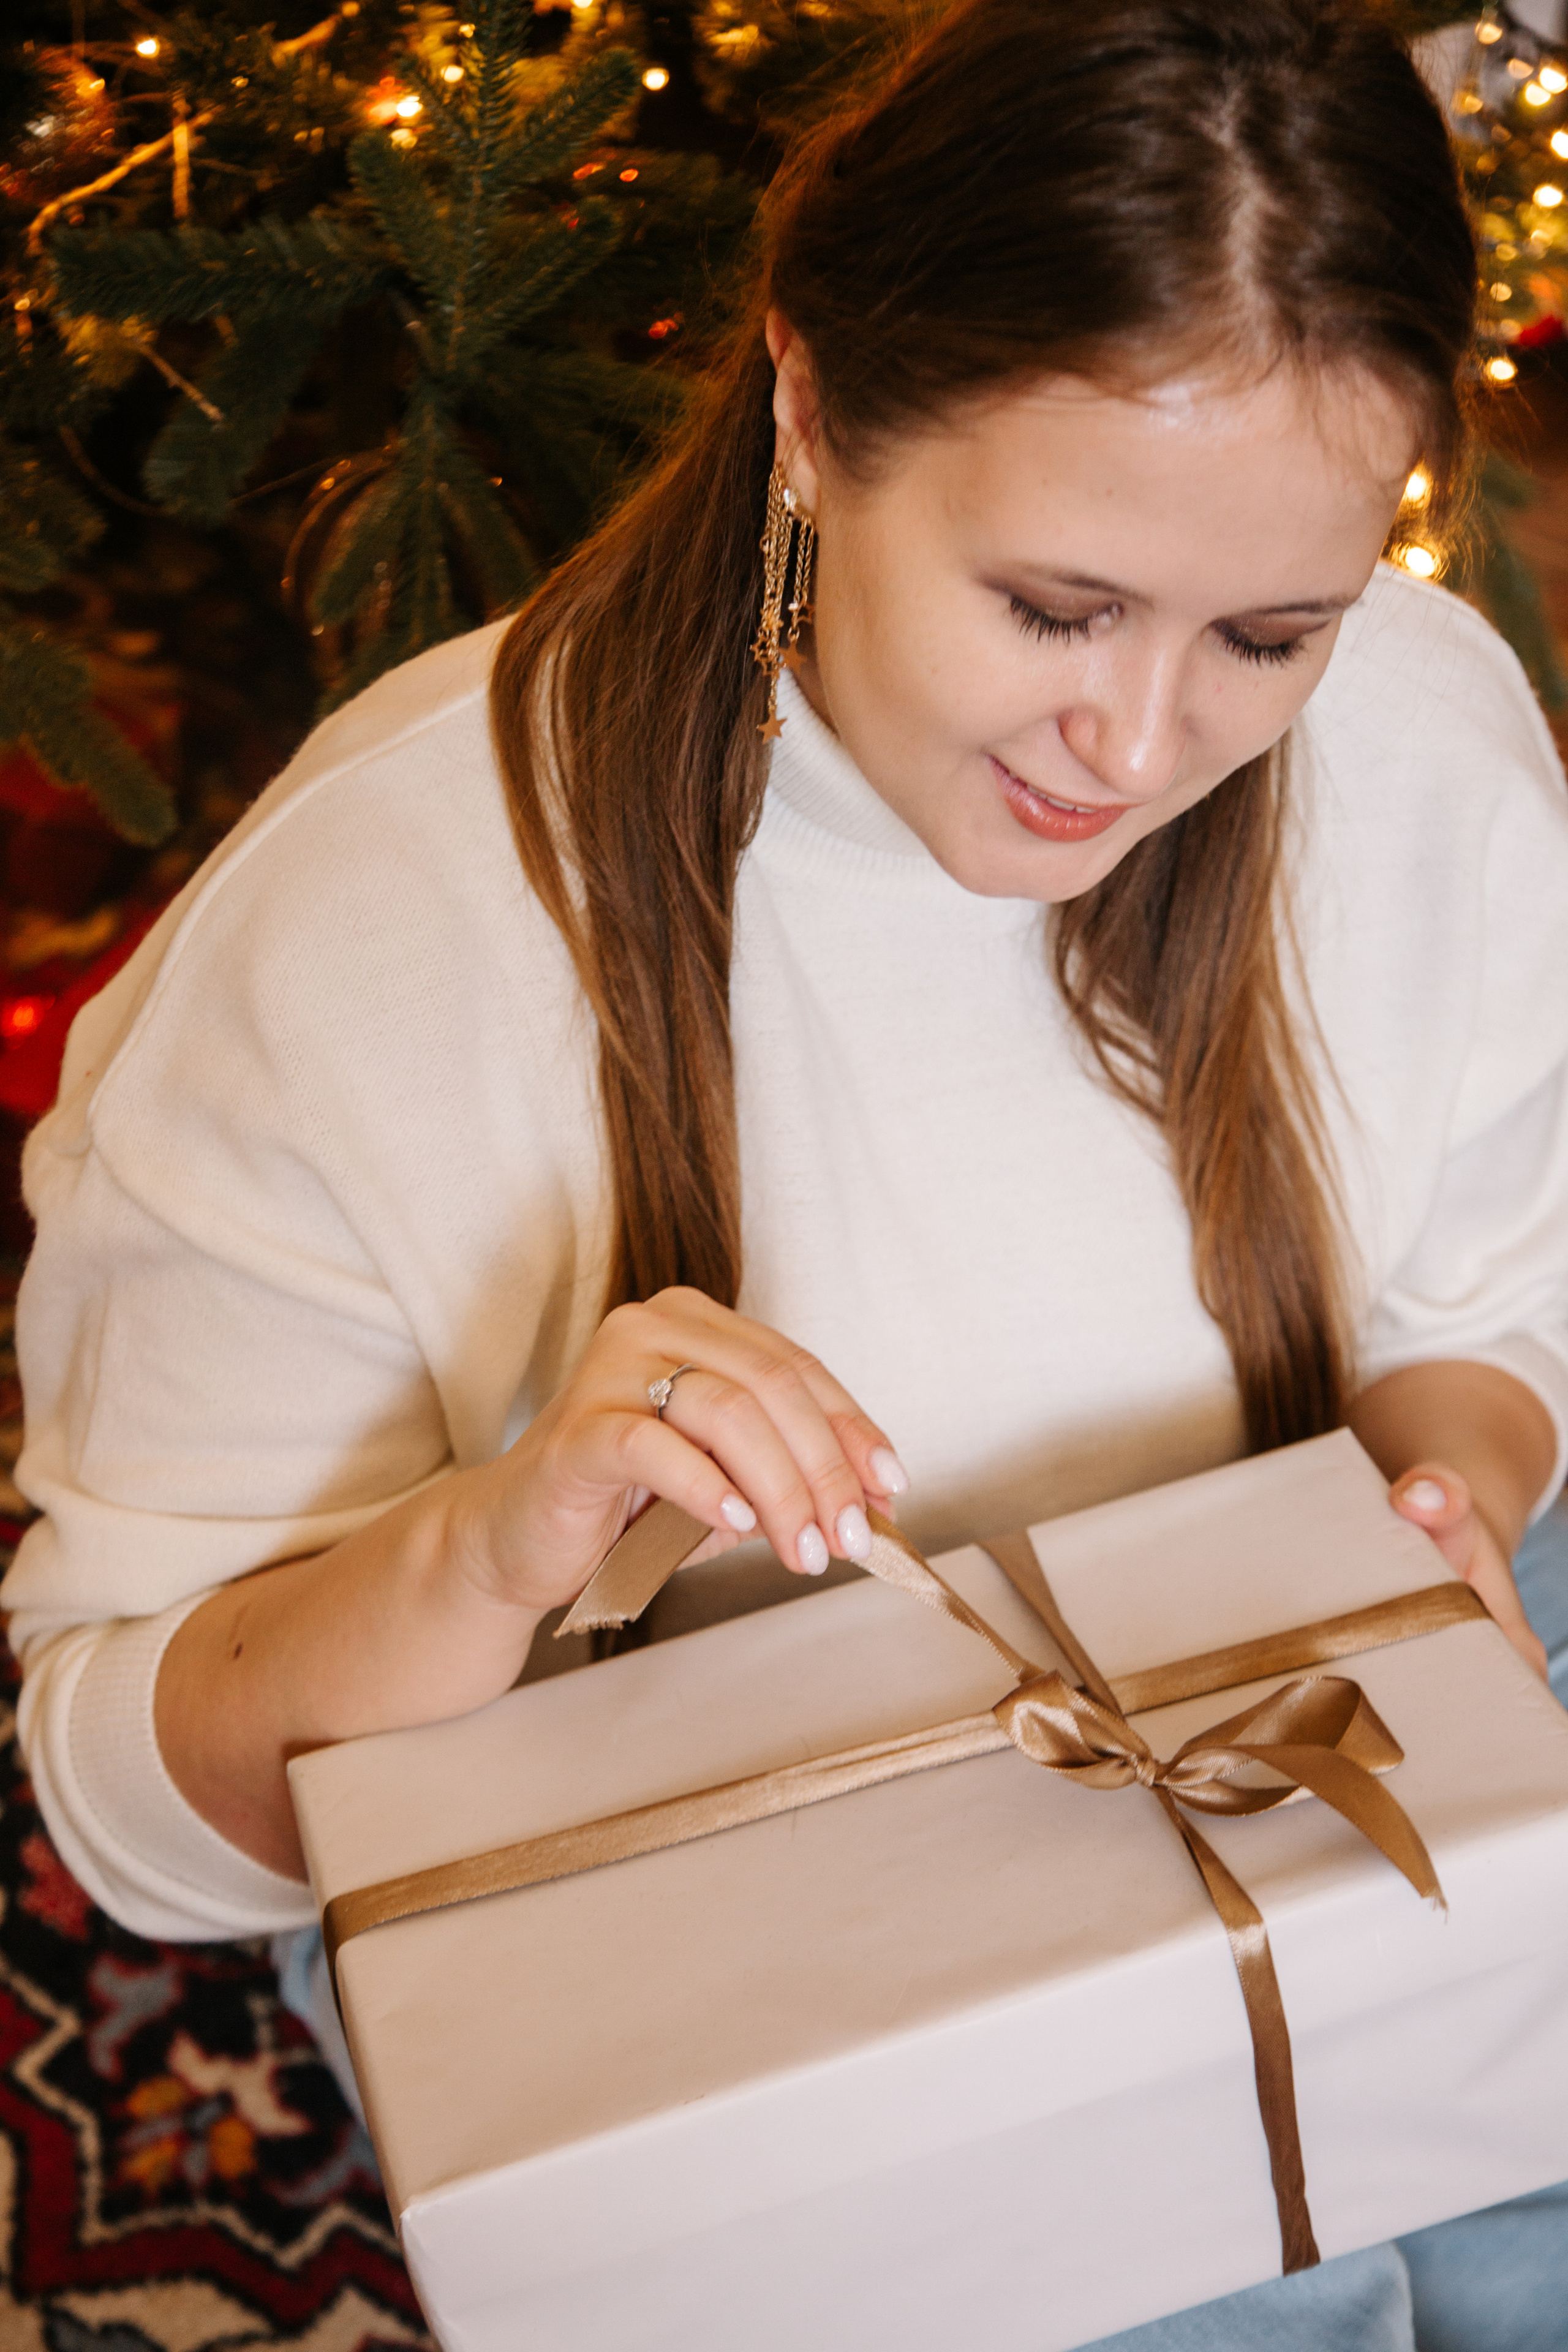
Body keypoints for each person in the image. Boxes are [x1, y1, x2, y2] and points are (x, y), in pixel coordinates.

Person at [6, 0, 1567, 2343]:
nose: (1141, 746)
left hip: (1302, 1709)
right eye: (1055, 607)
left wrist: (1450, 1494)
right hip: (722, 1900)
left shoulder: (1424, 726)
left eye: (1271, 635)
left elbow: (1486, 1307)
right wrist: (492, 1547)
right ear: (813, 412)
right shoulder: (376, 933)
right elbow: (135, 1817)